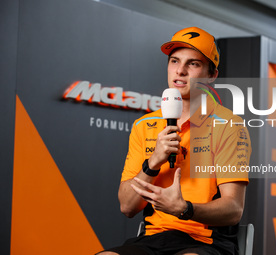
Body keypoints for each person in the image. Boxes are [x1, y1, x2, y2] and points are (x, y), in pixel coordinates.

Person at [96, 27, 251, 255]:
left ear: (212, 75)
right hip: (154, 239)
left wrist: (183, 209)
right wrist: (154, 161)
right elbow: (127, 207)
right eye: (174, 61)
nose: (180, 71)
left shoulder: (229, 126)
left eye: (193, 64)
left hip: (207, 241)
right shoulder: (144, 125)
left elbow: (233, 209)